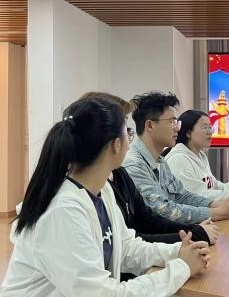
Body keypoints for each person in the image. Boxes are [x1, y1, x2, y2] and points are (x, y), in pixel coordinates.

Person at [0, 97, 210, 297]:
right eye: (128, 132)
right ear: (115, 145)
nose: (131, 140)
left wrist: (178, 252)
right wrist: (181, 267)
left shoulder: (102, 190)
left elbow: (127, 247)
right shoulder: (62, 210)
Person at [80, 91, 219, 245]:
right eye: (172, 122)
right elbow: (159, 214)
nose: (177, 129)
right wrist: (204, 224)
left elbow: (143, 225)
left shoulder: (121, 173)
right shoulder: (131, 166)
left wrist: (196, 229)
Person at [123, 92, 229, 225]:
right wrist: (217, 212)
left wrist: (216, 204)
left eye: (177, 123)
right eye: (172, 122)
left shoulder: (160, 162)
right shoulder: (134, 165)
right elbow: (162, 211)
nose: (177, 128)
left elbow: (181, 195)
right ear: (150, 125)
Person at [166, 110, 229, 201]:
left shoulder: (200, 156)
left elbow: (212, 185)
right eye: (205, 127)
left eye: (210, 127)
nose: (210, 132)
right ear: (188, 133)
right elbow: (198, 197)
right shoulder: (178, 160)